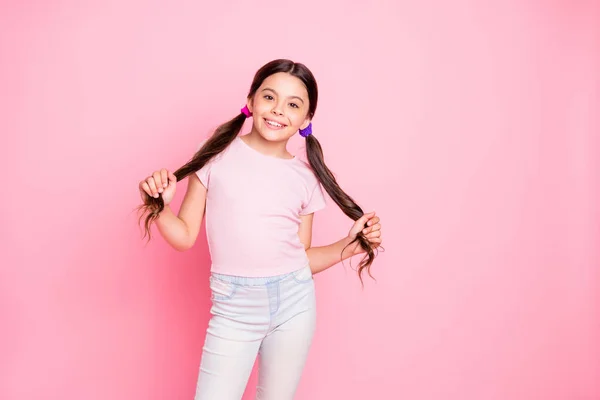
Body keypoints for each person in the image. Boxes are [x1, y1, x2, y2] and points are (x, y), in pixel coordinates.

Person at [137, 59, 383, 400]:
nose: (278, 110)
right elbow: (184, 236)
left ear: (305, 120)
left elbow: (301, 258)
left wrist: (351, 245)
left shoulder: (305, 178)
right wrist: (160, 207)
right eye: (269, 97)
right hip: (234, 308)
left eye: (293, 105)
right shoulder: (216, 155)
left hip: (295, 304)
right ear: (251, 100)